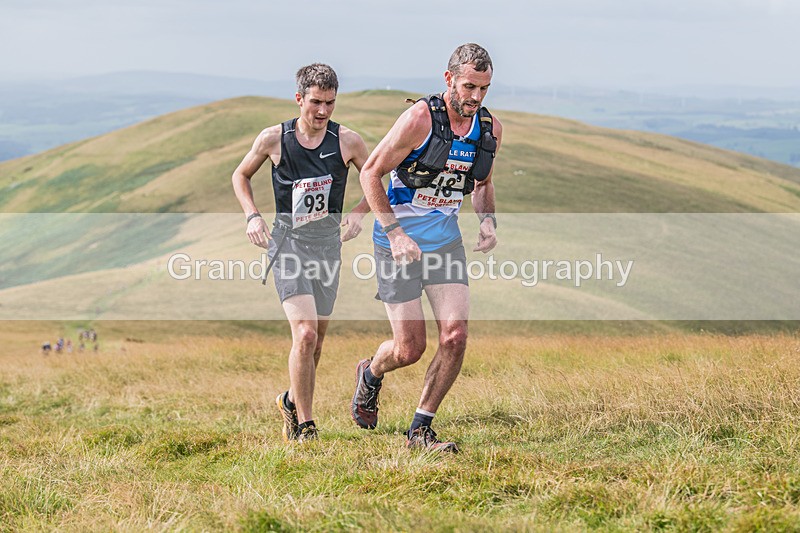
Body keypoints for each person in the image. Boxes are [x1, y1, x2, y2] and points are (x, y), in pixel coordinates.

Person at [351, 43, 502, 452]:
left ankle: (420, 429)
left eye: (484, 89)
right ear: (449, 78)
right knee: (409, 348)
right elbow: (370, 173)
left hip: (445, 243)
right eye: (469, 86)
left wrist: (487, 221)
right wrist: (395, 232)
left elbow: (483, 183)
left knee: (454, 335)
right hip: (396, 243)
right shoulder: (420, 118)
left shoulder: (489, 130)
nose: (475, 97)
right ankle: (371, 373)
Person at [232, 63, 370, 443]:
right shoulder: (274, 139)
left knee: (317, 342)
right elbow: (240, 175)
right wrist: (252, 217)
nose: (323, 111)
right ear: (299, 99)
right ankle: (306, 425)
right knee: (306, 334)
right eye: (315, 103)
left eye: (330, 103)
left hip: (328, 247)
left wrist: (360, 212)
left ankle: (291, 402)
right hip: (288, 244)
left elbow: (378, 178)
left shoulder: (348, 141)